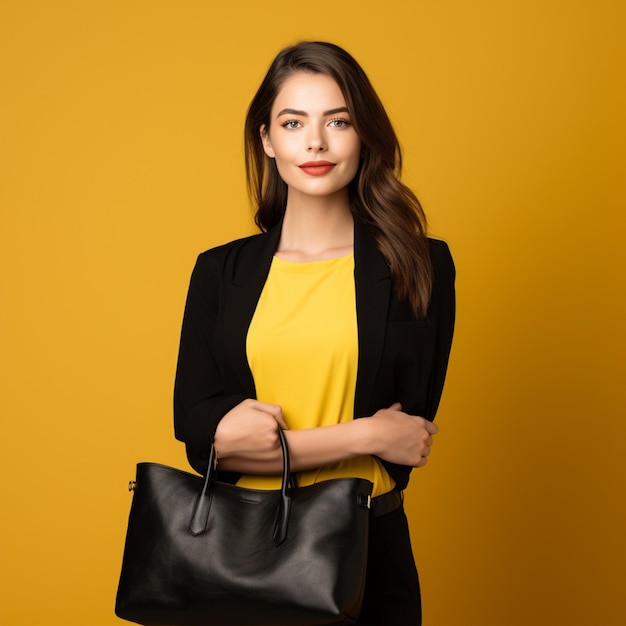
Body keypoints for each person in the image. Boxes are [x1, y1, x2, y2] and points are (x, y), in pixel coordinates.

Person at [173, 41, 455, 625]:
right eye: (294, 122)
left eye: (338, 121)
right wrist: (363, 435)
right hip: (242, 547)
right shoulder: (220, 273)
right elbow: (206, 439)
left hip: (371, 544)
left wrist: (280, 444)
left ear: (363, 135)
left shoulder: (419, 267)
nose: (316, 142)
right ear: (267, 139)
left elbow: (409, 434)